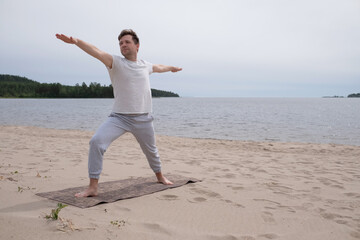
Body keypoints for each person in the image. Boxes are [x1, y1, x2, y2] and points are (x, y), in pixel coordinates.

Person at [56, 29, 182, 197]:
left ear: (137, 46)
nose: (123, 45)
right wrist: (76, 41)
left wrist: (172, 68)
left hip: (143, 118)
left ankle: (160, 176)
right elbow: (97, 51)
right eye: (121, 43)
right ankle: (93, 187)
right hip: (119, 118)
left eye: (127, 42)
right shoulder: (115, 62)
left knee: (151, 151)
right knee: (96, 142)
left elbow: (159, 67)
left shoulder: (145, 65)